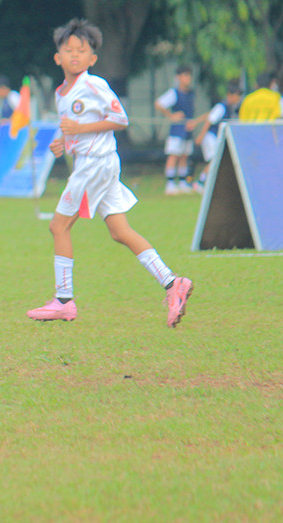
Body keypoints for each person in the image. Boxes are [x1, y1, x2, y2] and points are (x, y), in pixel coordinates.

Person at [26, 18, 193, 328]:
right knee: (119, 231)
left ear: (93, 58)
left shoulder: (94, 84)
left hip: (96, 165)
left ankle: (64, 301)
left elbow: (120, 118)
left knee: (58, 227)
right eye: (68, 50)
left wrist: (78, 129)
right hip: (96, 164)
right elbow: (75, 129)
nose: (75, 55)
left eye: (82, 50)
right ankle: (173, 283)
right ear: (57, 57)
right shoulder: (63, 93)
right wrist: (64, 141)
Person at [187, 83, 242, 191]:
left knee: (215, 161)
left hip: (215, 138)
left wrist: (196, 121)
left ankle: (203, 182)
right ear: (229, 95)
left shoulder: (229, 107)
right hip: (210, 137)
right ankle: (201, 182)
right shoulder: (222, 107)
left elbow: (209, 114)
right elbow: (209, 120)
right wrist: (201, 136)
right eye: (236, 95)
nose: (238, 98)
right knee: (214, 160)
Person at [154, 65, 196, 195]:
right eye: (184, 75)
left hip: (187, 129)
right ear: (178, 78)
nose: (187, 79)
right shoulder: (174, 93)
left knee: (184, 156)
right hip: (177, 130)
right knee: (174, 155)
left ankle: (183, 182)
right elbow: (158, 104)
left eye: (189, 75)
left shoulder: (191, 93)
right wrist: (171, 116)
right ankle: (170, 184)